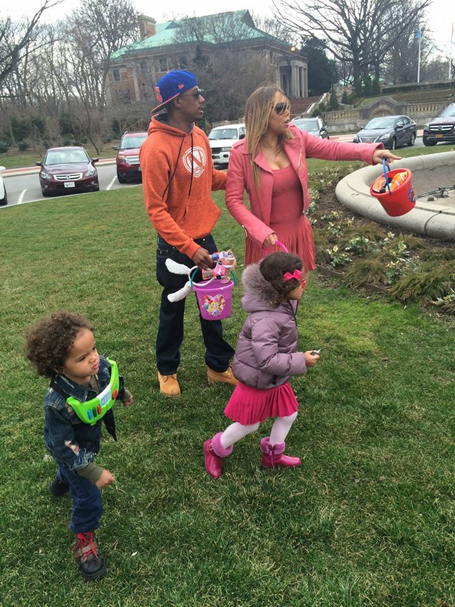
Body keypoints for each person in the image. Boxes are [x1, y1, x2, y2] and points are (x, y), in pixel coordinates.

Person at [225, 85, 401, 283]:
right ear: (261, 113)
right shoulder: (241, 153)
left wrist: (369, 152)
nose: (288, 112)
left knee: (295, 297)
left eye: (288, 106)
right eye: (280, 108)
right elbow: (233, 201)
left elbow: (332, 149)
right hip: (268, 240)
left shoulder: (296, 137)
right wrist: (259, 231)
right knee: (271, 300)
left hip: (299, 233)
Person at [140, 69, 237, 397]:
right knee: (173, 308)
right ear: (177, 101)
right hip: (174, 246)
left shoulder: (200, 136)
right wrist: (188, 247)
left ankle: (218, 366)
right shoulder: (155, 148)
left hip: (204, 237)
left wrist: (240, 178)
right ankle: (166, 369)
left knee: (214, 305)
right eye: (196, 94)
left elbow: (208, 178)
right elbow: (156, 210)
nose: (202, 99)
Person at [25, 311, 133, 581]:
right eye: (82, 357)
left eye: (93, 349)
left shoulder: (99, 366)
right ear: (59, 368)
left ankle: (63, 479)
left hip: (84, 444)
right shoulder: (57, 402)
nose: (94, 358)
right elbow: (64, 445)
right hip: (70, 451)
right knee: (88, 497)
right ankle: (85, 540)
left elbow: (111, 381)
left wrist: (122, 393)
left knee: (70, 473)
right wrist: (92, 471)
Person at [204, 251, 320, 478]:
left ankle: (273, 455)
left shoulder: (282, 304)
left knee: (289, 414)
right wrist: (301, 360)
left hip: (274, 379)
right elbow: (266, 360)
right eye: (301, 282)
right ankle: (214, 448)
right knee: (250, 424)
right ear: (284, 289)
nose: (304, 286)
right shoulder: (266, 319)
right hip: (258, 380)